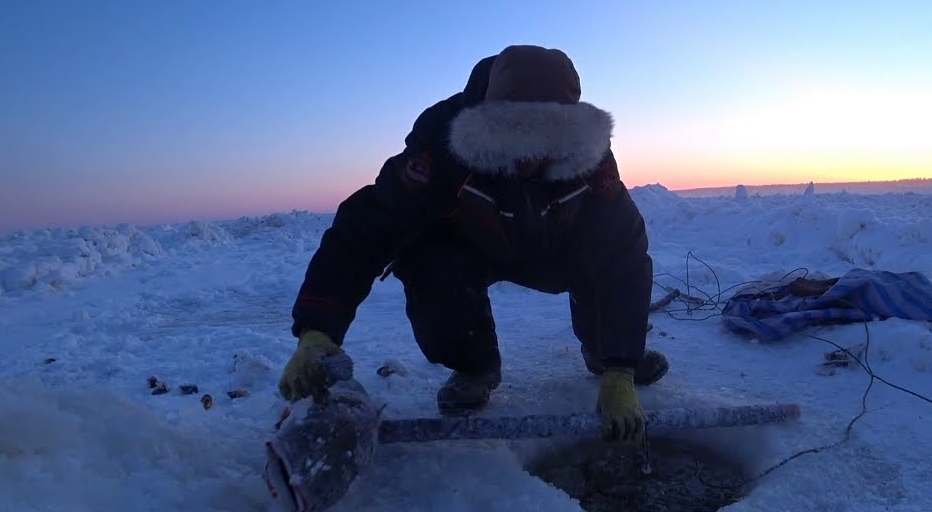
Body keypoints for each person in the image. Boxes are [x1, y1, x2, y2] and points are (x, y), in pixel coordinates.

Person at [277, 45, 667, 441]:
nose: (531, 157)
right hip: (473, 248)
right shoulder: (441, 144)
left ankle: (605, 355)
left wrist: (622, 365)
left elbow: (626, 251)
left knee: (603, 250)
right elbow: (366, 228)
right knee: (426, 258)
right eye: (517, 134)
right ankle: (474, 365)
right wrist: (317, 329)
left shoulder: (588, 154)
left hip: (554, 249)